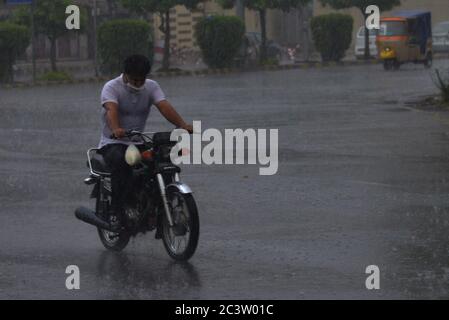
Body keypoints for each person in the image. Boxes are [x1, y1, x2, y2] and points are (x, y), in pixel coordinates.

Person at [98, 54, 192, 230]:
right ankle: (116, 212)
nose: (139, 83)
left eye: (142, 79)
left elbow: (164, 106)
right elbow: (111, 110)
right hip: (113, 143)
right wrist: (116, 129)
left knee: (161, 160)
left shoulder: (151, 87)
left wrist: (183, 125)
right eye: (135, 79)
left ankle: (158, 206)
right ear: (125, 74)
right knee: (122, 163)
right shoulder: (111, 87)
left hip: (137, 142)